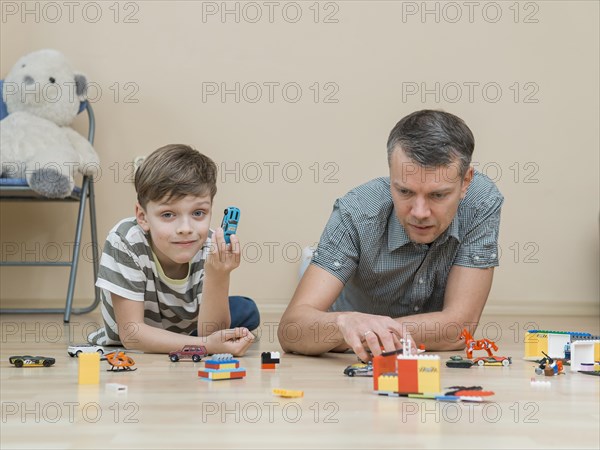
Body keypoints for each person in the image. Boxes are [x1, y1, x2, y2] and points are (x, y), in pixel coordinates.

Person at [278, 110, 503, 361]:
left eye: (438, 195)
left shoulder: (481, 201)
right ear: (390, 176)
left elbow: (457, 330)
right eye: (404, 191)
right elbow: (292, 331)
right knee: (316, 297)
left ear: (466, 182)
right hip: (341, 311)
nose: (419, 213)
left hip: (363, 338)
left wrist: (372, 331)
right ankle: (317, 262)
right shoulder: (357, 210)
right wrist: (344, 323)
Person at [88, 144, 260, 355]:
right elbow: (132, 335)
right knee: (242, 312)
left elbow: (211, 334)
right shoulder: (124, 241)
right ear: (143, 217)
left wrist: (219, 274)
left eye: (198, 213)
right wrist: (205, 345)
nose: (186, 229)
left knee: (248, 309)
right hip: (140, 335)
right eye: (168, 215)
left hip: (190, 326)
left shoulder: (209, 245)